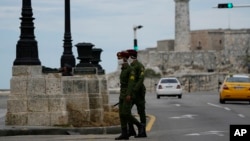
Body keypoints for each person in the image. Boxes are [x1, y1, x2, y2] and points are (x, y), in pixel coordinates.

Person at [115, 51, 143, 140]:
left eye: (119, 58)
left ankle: (139, 125)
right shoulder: (123, 69)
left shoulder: (130, 69)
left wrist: (128, 94)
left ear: (124, 59)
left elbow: (131, 83)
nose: (118, 60)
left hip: (127, 93)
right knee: (121, 114)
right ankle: (124, 133)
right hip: (122, 93)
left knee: (126, 113)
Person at [126, 49, 147, 138]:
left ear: (131, 57)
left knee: (141, 112)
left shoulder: (140, 66)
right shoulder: (130, 66)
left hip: (138, 93)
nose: (127, 58)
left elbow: (140, 79)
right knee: (126, 111)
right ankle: (131, 130)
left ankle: (142, 131)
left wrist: (134, 90)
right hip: (131, 93)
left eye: (128, 57)